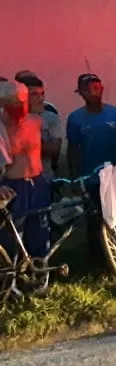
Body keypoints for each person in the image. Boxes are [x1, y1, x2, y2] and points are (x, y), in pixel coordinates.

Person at [66, 74, 116, 268]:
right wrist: (75, 178)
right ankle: (97, 261)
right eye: (91, 88)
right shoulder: (75, 118)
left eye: (99, 87)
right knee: (95, 220)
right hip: (91, 177)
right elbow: (73, 149)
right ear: (82, 92)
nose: (96, 92)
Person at [0, 78, 51, 268]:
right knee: (12, 237)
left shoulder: (35, 121)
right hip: (13, 186)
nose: (19, 107)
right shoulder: (1, 127)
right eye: (14, 103)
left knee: (40, 233)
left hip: (37, 184)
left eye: (22, 102)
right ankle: (12, 280)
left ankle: (39, 276)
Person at [14, 71, 63, 178]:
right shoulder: (8, 121)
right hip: (16, 181)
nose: (41, 99)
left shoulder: (46, 117)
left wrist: (28, 146)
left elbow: (55, 149)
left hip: (42, 178)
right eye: (34, 94)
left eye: (42, 94)